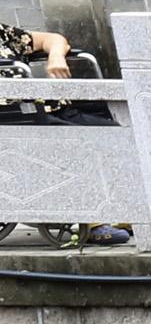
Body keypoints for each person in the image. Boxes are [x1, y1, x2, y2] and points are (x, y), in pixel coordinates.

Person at [0, 25, 131, 248]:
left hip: (51, 108)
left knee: (119, 136)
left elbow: (52, 38)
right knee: (79, 143)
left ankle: (127, 207)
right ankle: (93, 221)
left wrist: (56, 57)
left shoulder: (4, 33)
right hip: (16, 121)